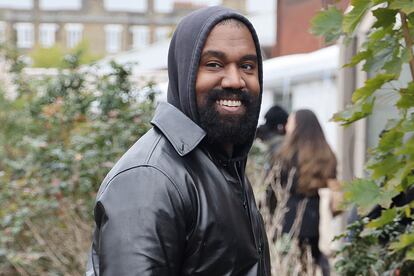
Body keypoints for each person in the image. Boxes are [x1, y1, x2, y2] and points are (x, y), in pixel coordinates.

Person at [85, 6, 270, 276]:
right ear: (185, 72)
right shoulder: (149, 179)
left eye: (247, 66)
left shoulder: (224, 165)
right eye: (214, 64)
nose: (235, 80)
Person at [272, 109, 337, 276]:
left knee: (292, 266)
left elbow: (273, 188)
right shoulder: (327, 154)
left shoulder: (286, 155)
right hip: (317, 221)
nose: (286, 127)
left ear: (298, 126)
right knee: (314, 264)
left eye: (290, 122)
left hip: (290, 221)